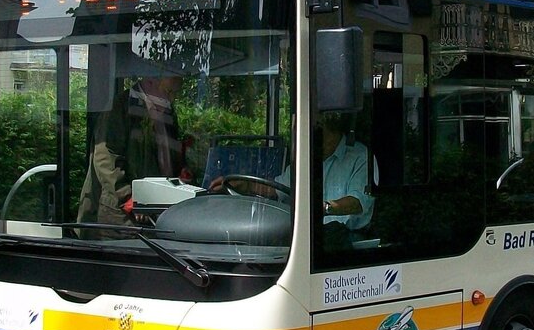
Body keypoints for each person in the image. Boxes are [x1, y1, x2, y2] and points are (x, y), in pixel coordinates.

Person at [210, 113, 373, 235]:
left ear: (331, 130)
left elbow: (357, 203)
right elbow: (278, 189)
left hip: (347, 240)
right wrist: (246, 186)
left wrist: (323, 208)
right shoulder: (307, 157)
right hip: (307, 236)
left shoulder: (360, 157)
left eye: (315, 132)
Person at [77, 75, 184, 232]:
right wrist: (130, 198)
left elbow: (166, 154)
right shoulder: (120, 108)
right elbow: (106, 161)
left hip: (152, 210)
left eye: (175, 93)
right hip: (117, 219)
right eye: (168, 91)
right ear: (150, 81)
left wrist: (181, 171)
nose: (171, 99)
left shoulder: (166, 111)